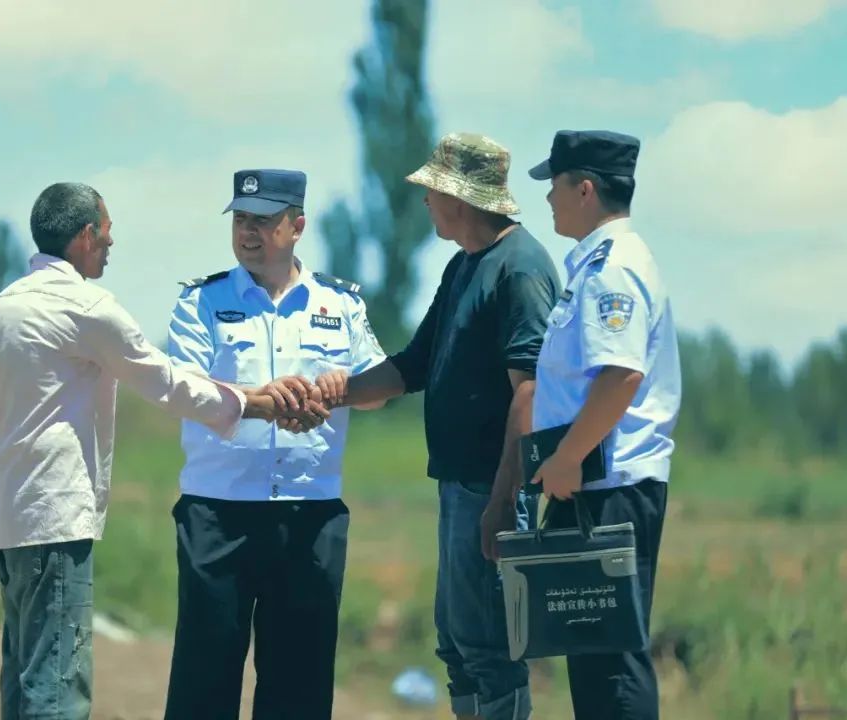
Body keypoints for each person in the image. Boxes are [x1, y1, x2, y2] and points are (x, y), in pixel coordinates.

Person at [0, 182, 325, 720]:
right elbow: (163, 380)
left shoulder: (4, 308)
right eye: (107, 232)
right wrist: (252, 404)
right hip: (52, 518)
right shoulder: (84, 306)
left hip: (6, 517)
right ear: (86, 236)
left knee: (23, 680)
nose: (112, 244)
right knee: (56, 688)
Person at [320, 133, 561, 720]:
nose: (425, 202)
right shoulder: (463, 267)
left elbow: (530, 392)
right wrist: (331, 393)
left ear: (458, 198)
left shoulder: (520, 268)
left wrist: (502, 501)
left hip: (491, 488)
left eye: (432, 192)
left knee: (491, 649)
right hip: (460, 487)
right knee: (459, 644)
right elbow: (413, 365)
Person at [162, 169, 387, 720]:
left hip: (310, 515)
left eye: (263, 220)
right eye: (241, 219)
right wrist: (262, 400)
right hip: (218, 514)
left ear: (297, 226)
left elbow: (378, 389)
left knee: (299, 687)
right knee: (203, 681)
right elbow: (183, 387)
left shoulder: (340, 304)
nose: (248, 232)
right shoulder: (203, 301)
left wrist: (339, 390)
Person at [525, 130, 682, 720]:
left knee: (612, 659)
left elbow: (621, 375)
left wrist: (567, 457)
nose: (548, 198)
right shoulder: (596, 264)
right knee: (593, 655)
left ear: (585, 189)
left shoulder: (613, 268)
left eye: (555, 185)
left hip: (609, 485)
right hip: (592, 482)